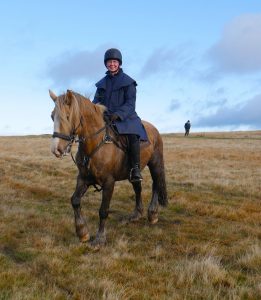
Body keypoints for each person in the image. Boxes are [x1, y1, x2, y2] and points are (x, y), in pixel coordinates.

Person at [92, 48, 148, 182]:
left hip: (126, 117)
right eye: (109, 62)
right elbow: (96, 102)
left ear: (119, 63)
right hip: (106, 117)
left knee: (133, 135)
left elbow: (130, 103)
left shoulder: (128, 82)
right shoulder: (101, 84)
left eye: (114, 62)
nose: (112, 64)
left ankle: (135, 169)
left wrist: (118, 114)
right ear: (106, 64)